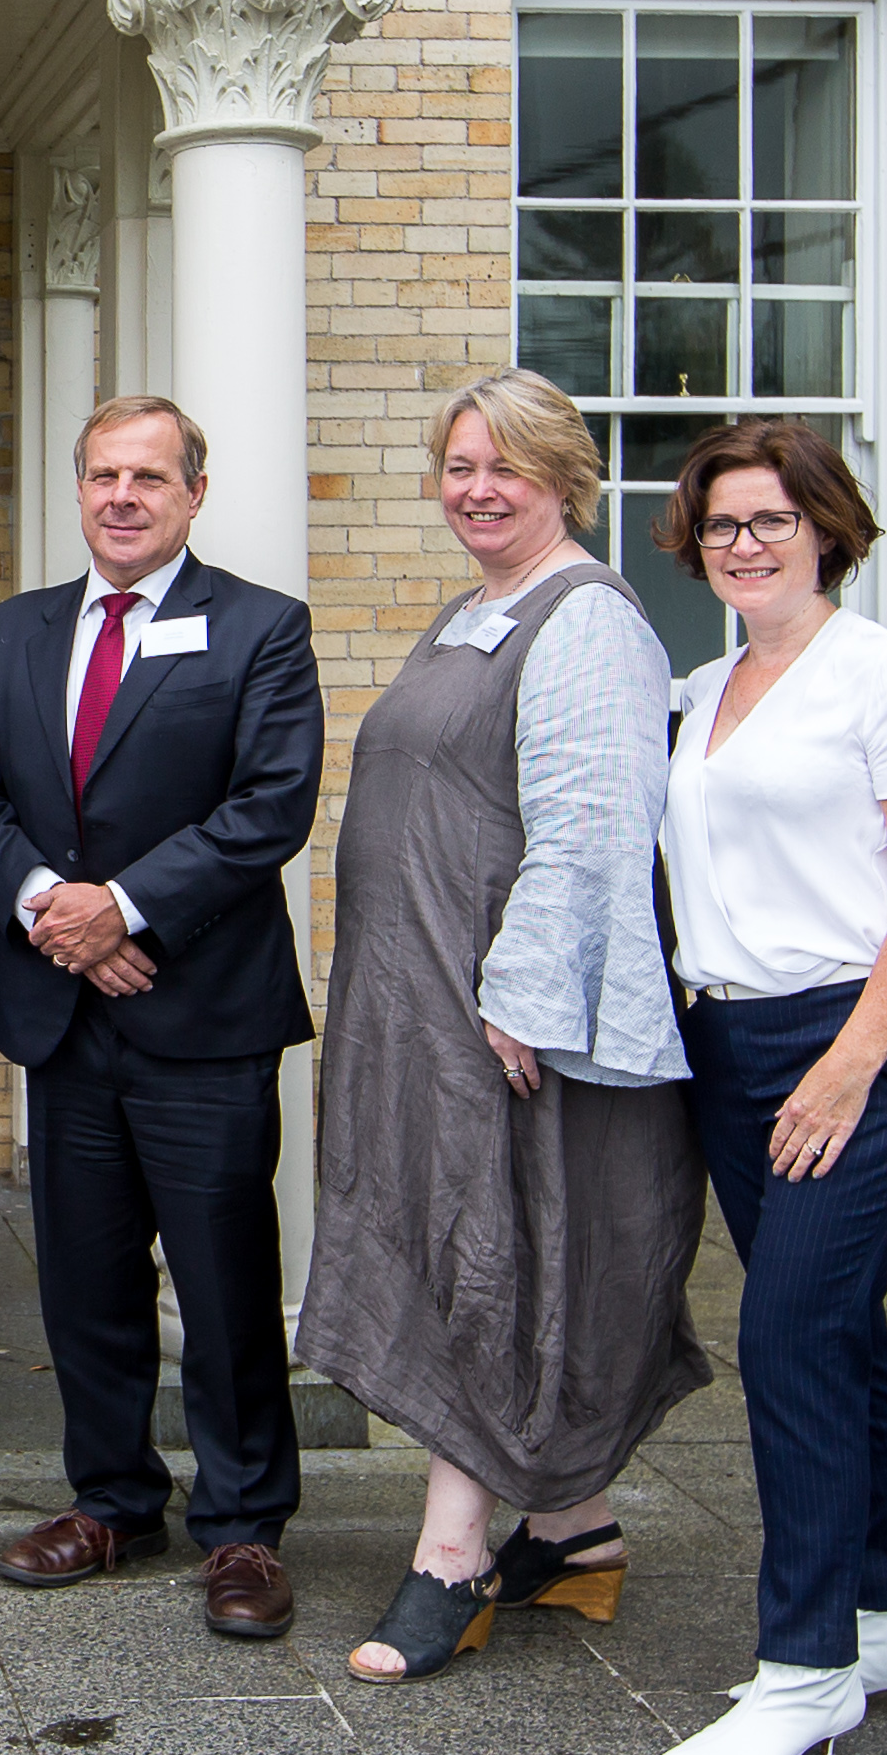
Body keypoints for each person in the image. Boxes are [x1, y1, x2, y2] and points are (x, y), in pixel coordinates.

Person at [299, 372, 703, 1683]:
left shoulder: (588, 620)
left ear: (567, 479)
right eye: (459, 464)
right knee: (453, 1243)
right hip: (414, 1005)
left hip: (495, 1020)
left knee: (486, 1260)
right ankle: (572, 1535)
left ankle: (451, 1555)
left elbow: (590, 826)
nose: (476, 487)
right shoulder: (472, 611)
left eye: (505, 467)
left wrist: (523, 998)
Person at [0, 397, 324, 1645]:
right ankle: (110, 1501)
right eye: (101, 475)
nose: (121, 497)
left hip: (201, 1011)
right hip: (67, 1014)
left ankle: (244, 1526)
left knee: (219, 1283)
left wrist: (130, 912)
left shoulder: (260, 628)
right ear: (78, 487)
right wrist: (58, 911)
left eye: (147, 478)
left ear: (193, 493)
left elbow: (269, 805)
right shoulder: (18, 629)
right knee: (85, 1281)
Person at [651, 415, 887, 1755]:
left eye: (771, 520)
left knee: (790, 1336)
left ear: (828, 527)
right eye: (723, 524)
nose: (744, 544)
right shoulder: (701, 686)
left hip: (868, 1045)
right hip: (732, 1047)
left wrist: (846, 1067)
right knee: (842, 1330)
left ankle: (808, 1669)